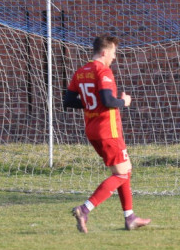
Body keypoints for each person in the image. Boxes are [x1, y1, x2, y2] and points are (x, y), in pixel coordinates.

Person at [64, 34, 150, 232]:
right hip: (107, 130)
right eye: (113, 53)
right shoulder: (103, 71)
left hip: (92, 129)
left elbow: (68, 101)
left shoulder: (81, 72)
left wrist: (89, 102)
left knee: (124, 170)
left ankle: (130, 218)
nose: (115, 57)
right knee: (121, 174)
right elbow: (108, 101)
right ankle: (85, 209)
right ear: (104, 52)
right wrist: (124, 102)